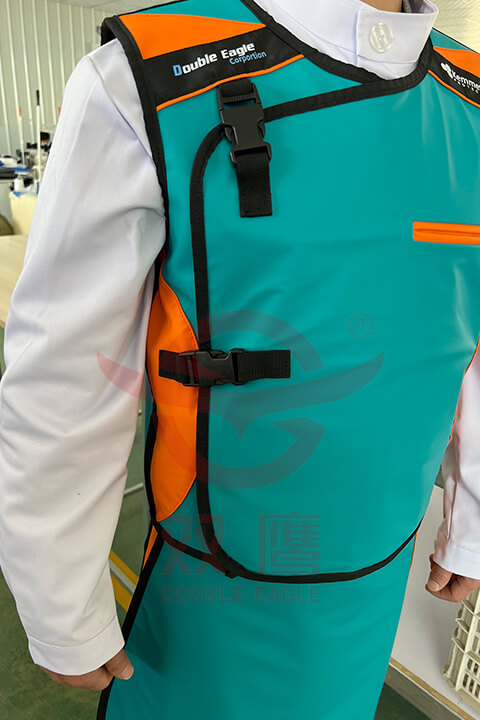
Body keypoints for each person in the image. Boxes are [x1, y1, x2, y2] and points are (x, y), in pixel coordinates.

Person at [1, 0, 480, 717]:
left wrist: (472, 523)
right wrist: (60, 601)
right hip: (209, 596)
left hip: (380, 572)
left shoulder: (468, 96)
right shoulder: (151, 75)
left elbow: (466, 336)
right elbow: (65, 369)